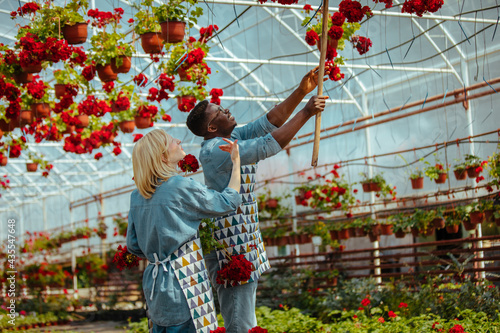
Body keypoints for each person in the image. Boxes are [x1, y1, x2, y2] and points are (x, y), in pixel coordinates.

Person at [185, 67, 328, 333]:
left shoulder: (230, 138)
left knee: (244, 313)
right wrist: (307, 112)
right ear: (212, 127)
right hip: (231, 246)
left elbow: (268, 122)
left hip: (243, 237)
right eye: (219, 112)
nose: (226, 110)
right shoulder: (216, 149)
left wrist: (301, 91)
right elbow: (267, 145)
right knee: (240, 319)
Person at [126, 129, 242, 333]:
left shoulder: (137, 196)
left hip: (155, 285)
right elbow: (227, 202)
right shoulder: (179, 185)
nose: (179, 140)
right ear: (163, 156)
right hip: (185, 281)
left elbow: (134, 245)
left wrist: (160, 251)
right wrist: (236, 163)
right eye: (172, 141)